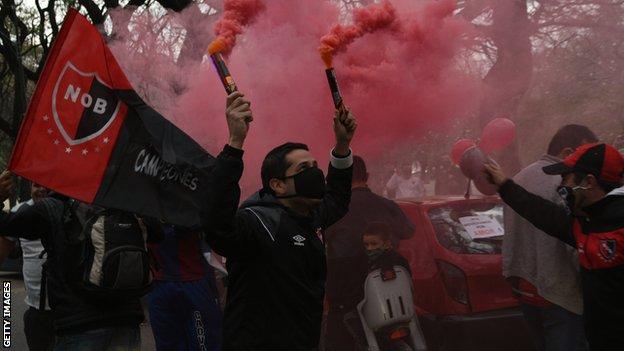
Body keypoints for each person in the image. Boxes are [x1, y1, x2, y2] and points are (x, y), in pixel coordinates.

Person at [203, 91, 356, 351]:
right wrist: (235, 142)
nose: (315, 174)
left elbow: (338, 200)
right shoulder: (257, 222)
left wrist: (342, 145)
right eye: (303, 170)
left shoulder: (309, 216)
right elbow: (218, 226)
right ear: (278, 185)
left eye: (315, 165)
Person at [484, 143, 624, 351]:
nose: (561, 186)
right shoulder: (584, 223)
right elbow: (542, 213)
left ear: (589, 182)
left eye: (566, 178)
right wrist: (504, 185)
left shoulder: (616, 225)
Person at [0, 172, 143, 351]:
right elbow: (157, 233)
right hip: (126, 318)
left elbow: (4, 224)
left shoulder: (50, 207)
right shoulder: (118, 201)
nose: (42, 188)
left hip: (80, 325)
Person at [503, 125, 596, 351]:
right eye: (586, 156)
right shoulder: (566, 183)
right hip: (560, 295)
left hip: (526, 290)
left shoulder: (518, 178)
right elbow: (574, 245)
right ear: (566, 153)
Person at [324, 156, 414, 351]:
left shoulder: (332, 211)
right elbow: (409, 230)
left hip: (346, 298)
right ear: (367, 176)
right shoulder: (387, 205)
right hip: (388, 298)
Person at [144, 220, 222, 351]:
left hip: (194, 282)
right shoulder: (144, 205)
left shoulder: (196, 205)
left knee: (204, 345)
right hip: (161, 284)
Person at [0, 183, 54, 351]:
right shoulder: (20, 212)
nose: (41, 189)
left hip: (70, 312)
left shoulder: (69, 210)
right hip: (37, 312)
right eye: (36, 185)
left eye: (47, 184)